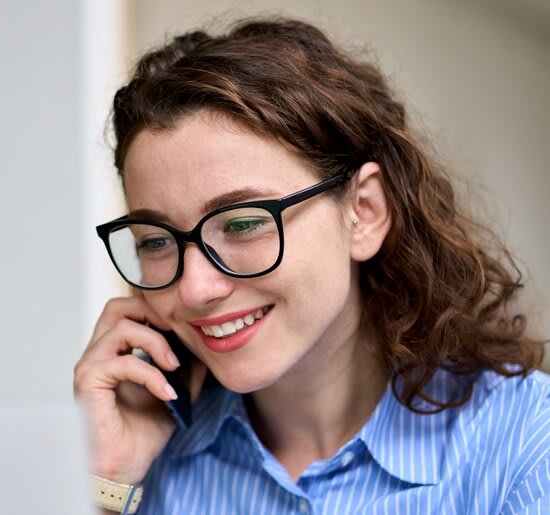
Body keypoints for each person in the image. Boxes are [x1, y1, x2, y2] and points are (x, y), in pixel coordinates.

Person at [74, 17, 549, 514]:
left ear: (364, 211)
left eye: (241, 224)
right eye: (155, 240)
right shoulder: (151, 457)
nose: (194, 289)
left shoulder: (525, 447)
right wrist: (106, 483)